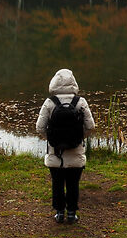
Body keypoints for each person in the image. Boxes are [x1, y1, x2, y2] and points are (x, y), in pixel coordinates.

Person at [36, 67, 95, 224]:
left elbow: (40, 128)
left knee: (57, 184)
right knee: (73, 184)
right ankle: (71, 214)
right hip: (76, 152)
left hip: (55, 154)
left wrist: (52, 139)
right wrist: (79, 138)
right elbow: (90, 126)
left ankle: (59, 213)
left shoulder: (50, 102)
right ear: (74, 83)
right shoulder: (80, 102)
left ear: (54, 83)